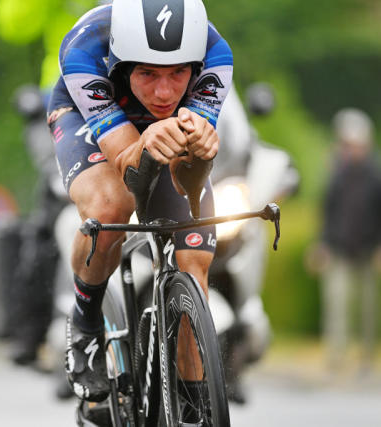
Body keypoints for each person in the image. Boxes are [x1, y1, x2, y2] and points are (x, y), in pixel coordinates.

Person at [47, 0, 232, 405]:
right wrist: (146, 142)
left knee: (194, 259)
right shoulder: (84, 50)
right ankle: (85, 322)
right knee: (111, 205)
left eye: (179, 72)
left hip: (161, 130)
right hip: (91, 118)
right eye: (147, 73)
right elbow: (131, 170)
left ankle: (193, 403)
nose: (164, 92)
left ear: (195, 64)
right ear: (121, 61)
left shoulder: (216, 54)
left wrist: (201, 154)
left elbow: (190, 181)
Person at [308, 108, 381, 375]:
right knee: (336, 306)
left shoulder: (380, 174)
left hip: (370, 250)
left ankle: (368, 358)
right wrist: (321, 244)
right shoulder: (336, 173)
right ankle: (336, 357)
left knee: (369, 310)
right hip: (339, 250)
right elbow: (327, 212)